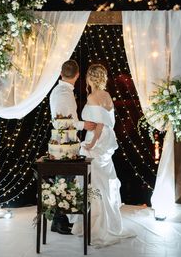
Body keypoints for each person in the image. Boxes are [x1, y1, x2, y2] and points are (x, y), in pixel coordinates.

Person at [71, 63, 136, 247]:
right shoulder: (107, 95)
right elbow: (107, 122)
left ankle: (98, 226)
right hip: (108, 138)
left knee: (95, 181)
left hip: (98, 139)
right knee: (105, 180)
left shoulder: (93, 97)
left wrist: (91, 143)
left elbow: (99, 124)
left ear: (90, 78)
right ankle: (110, 222)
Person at [49, 59, 96, 235]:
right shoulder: (63, 93)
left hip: (63, 142)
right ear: (77, 75)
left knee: (65, 180)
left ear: (61, 74)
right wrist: (85, 125)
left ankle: (60, 220)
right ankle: (58, 221)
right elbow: (65, 121)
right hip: (64, 144)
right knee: (64, 181)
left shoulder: (59, 90)